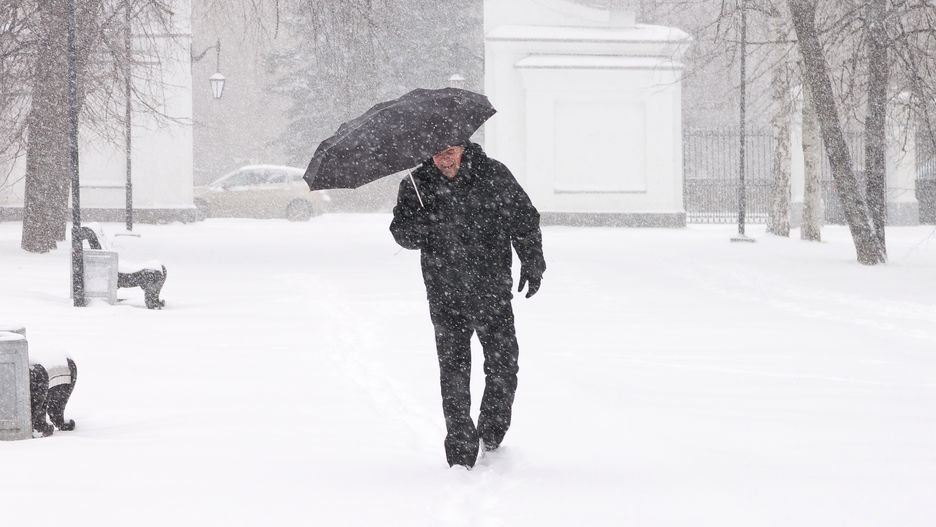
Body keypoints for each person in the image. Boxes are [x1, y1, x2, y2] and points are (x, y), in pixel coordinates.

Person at [390, 142, 546, 468]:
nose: (444, 160)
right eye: (436, 154)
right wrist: (421, 225)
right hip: (445, 293)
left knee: (504, 367)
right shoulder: (417, 185)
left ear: (463, 147)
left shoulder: (494, 175)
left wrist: (532, 260)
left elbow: (523, 217)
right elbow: (402, 232)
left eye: (449, 151)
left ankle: (491, 429)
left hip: (491, 290)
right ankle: (461, 450)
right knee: (454, 374)